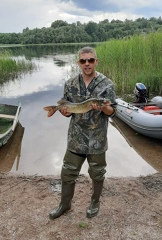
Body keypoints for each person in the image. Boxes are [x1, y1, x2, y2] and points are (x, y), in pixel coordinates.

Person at [49, 46, 116, 219]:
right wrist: (65, 111)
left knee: (97, 173)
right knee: (68, 172)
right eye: (83, 61)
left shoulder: (107, 84)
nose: (87, 64)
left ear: (96, 61)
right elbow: (69, 110)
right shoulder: (70, 84)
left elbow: (112, 111)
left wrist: (102, 107)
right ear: (79, 62)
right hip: (76, 137)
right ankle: (64, 204)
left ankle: (95, 202)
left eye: (91, 60)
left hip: (97, 138)